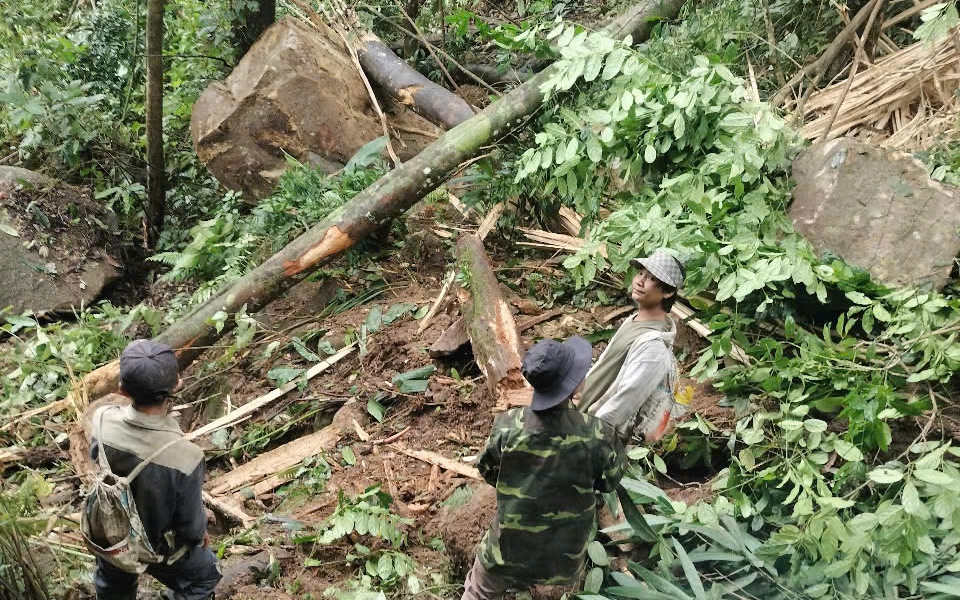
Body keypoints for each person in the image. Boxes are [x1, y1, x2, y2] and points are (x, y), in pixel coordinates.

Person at [462, 337, 625, 600]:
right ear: (573, 385)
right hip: (564, 560)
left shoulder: (507, 426)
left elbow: (488, 470)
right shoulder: (598, 434)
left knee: (478, 591)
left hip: (506, 552)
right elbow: (609, 481)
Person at [90, 340, 221, 600]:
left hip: (112, 534)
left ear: (122, 391)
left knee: (112, 581)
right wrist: (198, 532)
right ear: (176, 386)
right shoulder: (186, 456)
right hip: (158, 547)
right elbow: (191, 527)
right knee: (205, 576)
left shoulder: (101, 420)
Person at [578, 248, 686, 444]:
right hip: (581, 418)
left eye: (652, 278)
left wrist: (588, 436)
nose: (639, 281)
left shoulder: (654, 347)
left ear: (668, 291)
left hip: (594, 435)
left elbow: (625, 401)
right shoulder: (633, 321)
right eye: (641, 273)